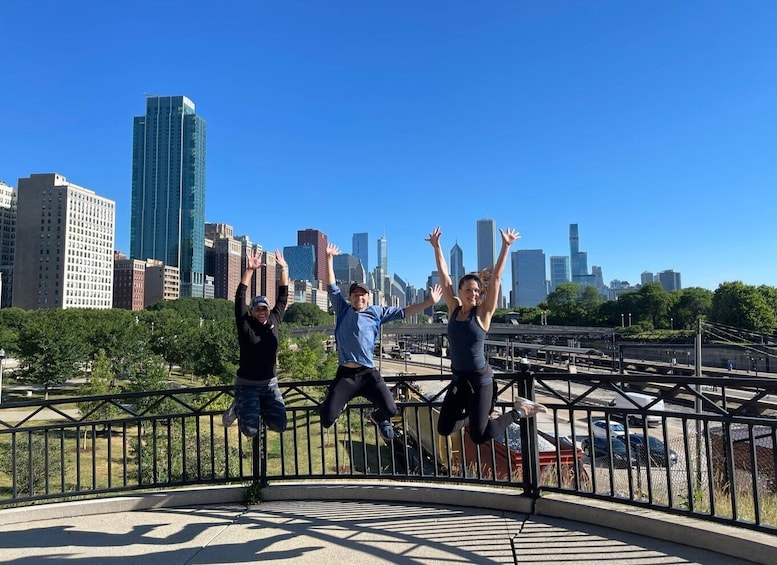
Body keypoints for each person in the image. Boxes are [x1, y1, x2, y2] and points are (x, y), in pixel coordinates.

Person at [426, 226, 546, 444]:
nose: (473, 293)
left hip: (481, 380)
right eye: (468, 290)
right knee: (444, 427)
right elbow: (444, 277)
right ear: (459, 292)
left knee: (480, 436)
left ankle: (519, 411)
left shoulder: (482, 314)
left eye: (476, 290)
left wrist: (506, 246)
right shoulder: (453, 308)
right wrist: (437, 247)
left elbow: (497, 279)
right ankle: (476, 417)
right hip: (459, 379)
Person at [320, 243, 442, 441]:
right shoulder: (342, 309)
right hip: (346, 375)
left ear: (368, 297)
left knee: (391, 409)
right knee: (326, 419)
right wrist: (329, 258)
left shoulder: (376, 312)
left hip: (368, 373)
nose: (359, 297)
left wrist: (429, 302)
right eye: (355, 294)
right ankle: (341, 403)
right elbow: (331, 287)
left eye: (362, 294)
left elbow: (404, 311)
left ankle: (376, 417)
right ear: (350, 297)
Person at [223, 248, 289, 438]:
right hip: (247, 384)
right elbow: (239, 298)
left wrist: (283, 268)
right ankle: (240, 406)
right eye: (258, 309)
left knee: (280, 425)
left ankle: (253, 407)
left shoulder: (274, 320)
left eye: (265, 309)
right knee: (250, 431)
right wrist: (250, 270)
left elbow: (283, 298)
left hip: (270, 384)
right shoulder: (245, 325)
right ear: (252, 311)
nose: (262, 312)